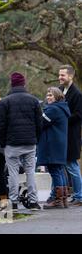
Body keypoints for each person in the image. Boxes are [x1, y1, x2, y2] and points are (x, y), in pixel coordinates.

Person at [0, 72, 42, 211]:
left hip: (12, 143)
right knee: (30, 172)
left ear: (12, 84)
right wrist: (36, 139)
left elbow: (1, 125)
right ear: (24, 83)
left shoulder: (5, 101)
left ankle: (14, 201)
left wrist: (3, 142)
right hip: (30, 142)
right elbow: (39, 123)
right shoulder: (34, 100)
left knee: (13, 173)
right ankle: (33, 201)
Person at [37, 88, 70, 209]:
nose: (48, 97)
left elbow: (40, 122)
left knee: (55, 171)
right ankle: (63, 199)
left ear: (57, 96)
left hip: (52, 144)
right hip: (59, 143)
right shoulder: (62, 108)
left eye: (50, 95)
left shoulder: (53, 109)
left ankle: (57, 200)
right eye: (47, 95)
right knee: (59, 171)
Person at [58, 65, 82, 206]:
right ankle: (62, 196)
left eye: (63, 75)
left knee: (72, 166)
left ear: (70, 76)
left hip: (71, 136)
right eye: (59, 75)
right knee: (61, 167)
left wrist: (62, 120)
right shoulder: (60, 90)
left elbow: (79, 115)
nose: (60, 77)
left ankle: (79, 196)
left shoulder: (77, 94)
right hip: (61, 136)